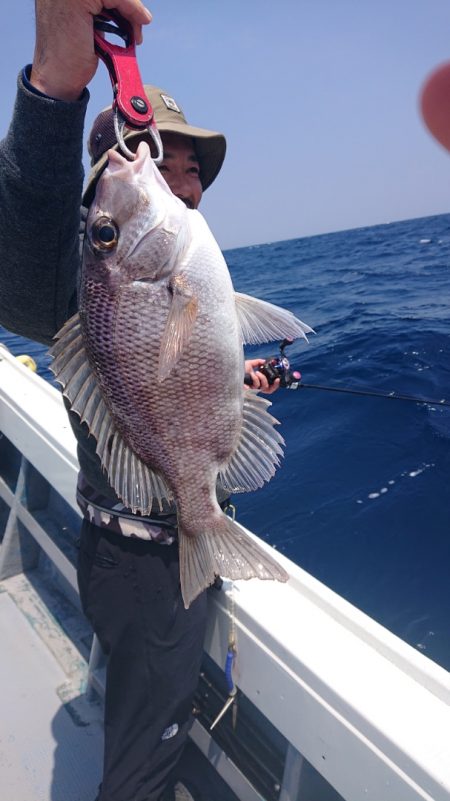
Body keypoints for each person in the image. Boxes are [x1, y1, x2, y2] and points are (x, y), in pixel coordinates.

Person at [0, 2, 280, 800]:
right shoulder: (83, 275)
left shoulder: (185, 268)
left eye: (189, 169)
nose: (182, 180)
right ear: (100, 177)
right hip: (148, 564)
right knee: (140, 771)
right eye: (161, 159)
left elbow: (172, 373)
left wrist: (236, 386)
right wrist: (55, 90)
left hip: (140, 544)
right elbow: (22, 252)